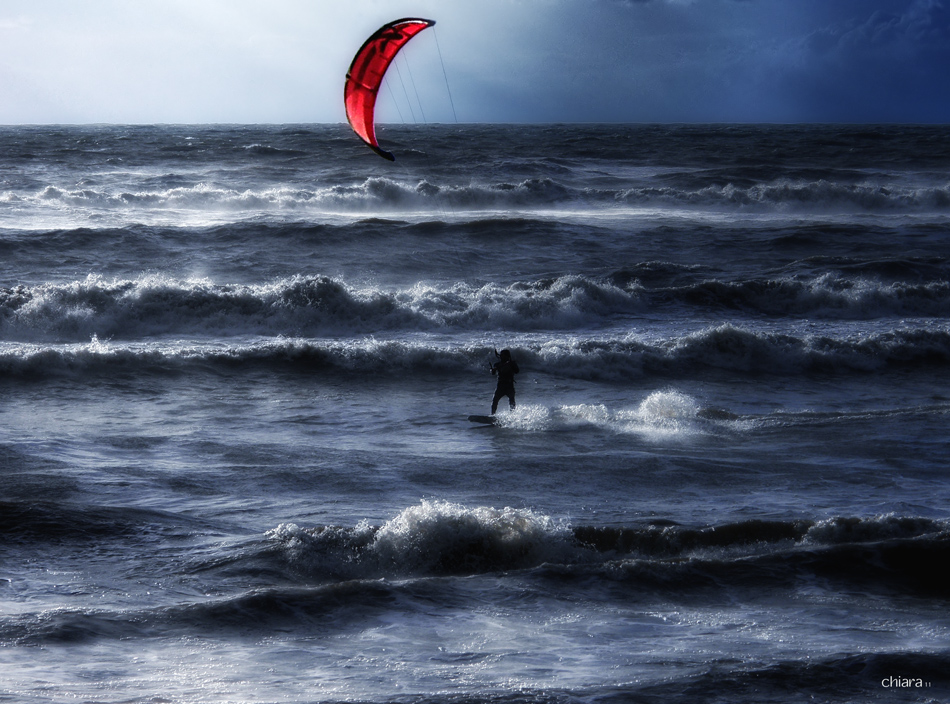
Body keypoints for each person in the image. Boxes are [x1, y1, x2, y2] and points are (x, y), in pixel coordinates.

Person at [490, 348, 519, 415]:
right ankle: (492, 415)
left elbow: (517, 371)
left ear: (507, 356)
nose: (501, 357)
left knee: (512, 401)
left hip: (509, 385)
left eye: (503, 355)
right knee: (495, 401)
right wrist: (492, 370)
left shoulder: (512, 363)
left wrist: (511, 365)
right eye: (501, 355)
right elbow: (493, 373)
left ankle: (512, 415)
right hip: (500, 385)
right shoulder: (497, 364)